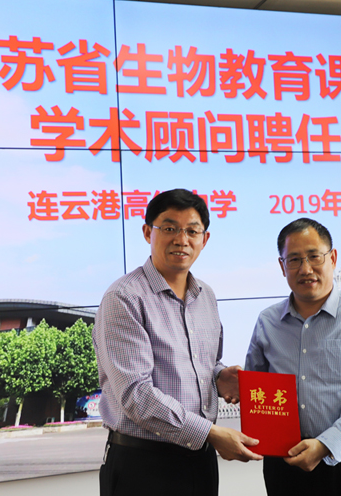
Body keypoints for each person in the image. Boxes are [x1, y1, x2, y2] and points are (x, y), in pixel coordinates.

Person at [93, 188, 262, 496]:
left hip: (199, 460)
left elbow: (205, 364)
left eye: (192, 231)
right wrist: (210, 433)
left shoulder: (206, 296)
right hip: (142, 464)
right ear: (148, 232)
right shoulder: (124, 297)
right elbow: (135, 394)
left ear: (204, 239)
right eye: (170, 228)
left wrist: (220, 377)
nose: (181, 239)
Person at [245, 218, 341, 496]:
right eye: (294, 260)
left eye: (314, 256)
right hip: (285, 463)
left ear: (332, 258)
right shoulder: (267, 321)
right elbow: (257, 389)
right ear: (282, 266)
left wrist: (326, 444)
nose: (306, 269)